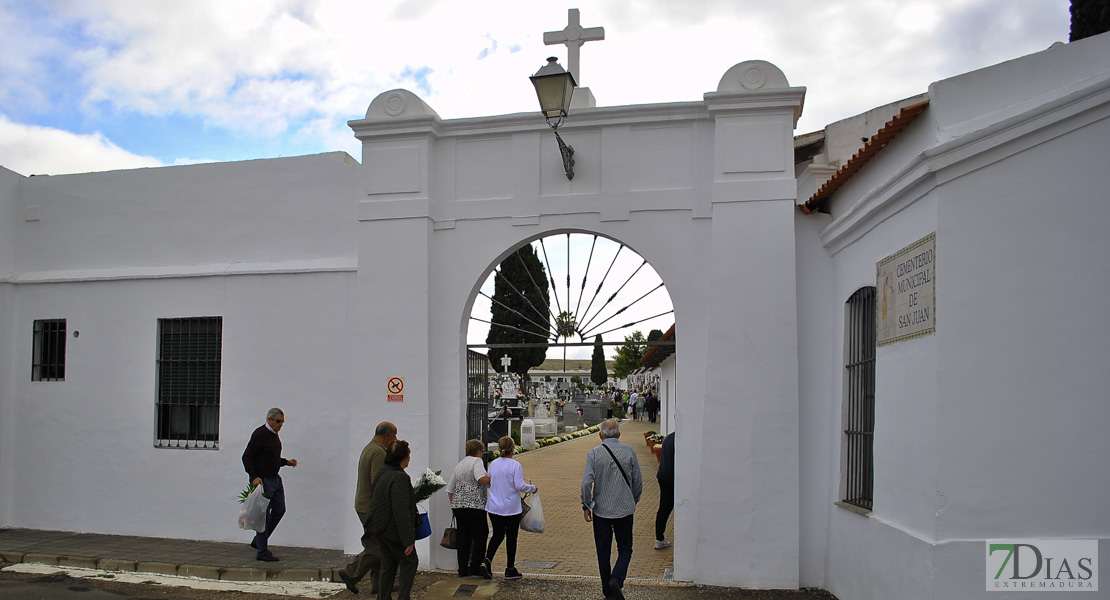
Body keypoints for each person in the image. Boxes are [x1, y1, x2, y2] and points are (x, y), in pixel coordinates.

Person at [581, 419, 642, 600]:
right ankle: (617, 578)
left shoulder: (594, 454)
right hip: (624, 509)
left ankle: (608, 592)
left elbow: (586, 483)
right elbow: (638, 482)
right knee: (625, 549)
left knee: (603, 551)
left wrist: (586, 504)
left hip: (601, 510)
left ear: (600, 435)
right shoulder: (629, 452)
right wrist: (633, 499)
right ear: (619, 434)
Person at [338, 422, 397, 595]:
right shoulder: (378, 452)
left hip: (364, 504)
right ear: (387, 435)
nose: (396, 439)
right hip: (370, 506)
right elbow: (376, 481)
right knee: (377, 546)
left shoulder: (369, 448)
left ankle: (379, 585)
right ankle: (350, 573)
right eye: (394, 435)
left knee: (379, 543)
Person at [241, 407, 298, 562]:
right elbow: (247, 457)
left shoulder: (274, 436)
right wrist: (254, 477)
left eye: (283, 422)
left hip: (275, 479)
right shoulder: (260, 434)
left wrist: (286, 462)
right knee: (263, 515)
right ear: (270, 420)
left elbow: (271, 458)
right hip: (263, 480)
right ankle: (262, 551)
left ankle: (258, 540)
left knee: (280, 509)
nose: (281, 425)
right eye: (278, 421)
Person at [482, 436, 537, 580]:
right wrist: (532, 488)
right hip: (511, 507)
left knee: (497, 535)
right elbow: (519, 485)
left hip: (494, 507)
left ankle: (487, 560)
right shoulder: (515, 465)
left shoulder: (493, 464)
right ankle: (510, 568)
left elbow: (489, 482)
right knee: (512, 537)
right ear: (512, 449)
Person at [369, 440, 418, 600]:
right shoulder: (400, 478)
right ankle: (403, 597)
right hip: (393, 530)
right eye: (408, 455)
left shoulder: (382, 472)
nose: (410, 458)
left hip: (380, 527)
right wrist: (408, 540)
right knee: (410, 562)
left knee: (388, 565)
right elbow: (400, 510)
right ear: (403, 457)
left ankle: (383, 597)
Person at [447, 439, 492, 577]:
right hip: (475, 506)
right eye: (482, 451)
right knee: (481, 535)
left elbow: (450, 489)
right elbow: (480, 478)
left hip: (459, 507)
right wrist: (494, 479)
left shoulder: (460, 465)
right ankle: (475, 567)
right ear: (478, 451)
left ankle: (462, 570)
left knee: (463, 538)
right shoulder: (476, 462)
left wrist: (455, 505)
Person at [654, 431, 675, 549]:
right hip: (673, 477)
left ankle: (659, 537)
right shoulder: (682, 439)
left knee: (664, 508)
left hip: (663, 475)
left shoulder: (669, 438)